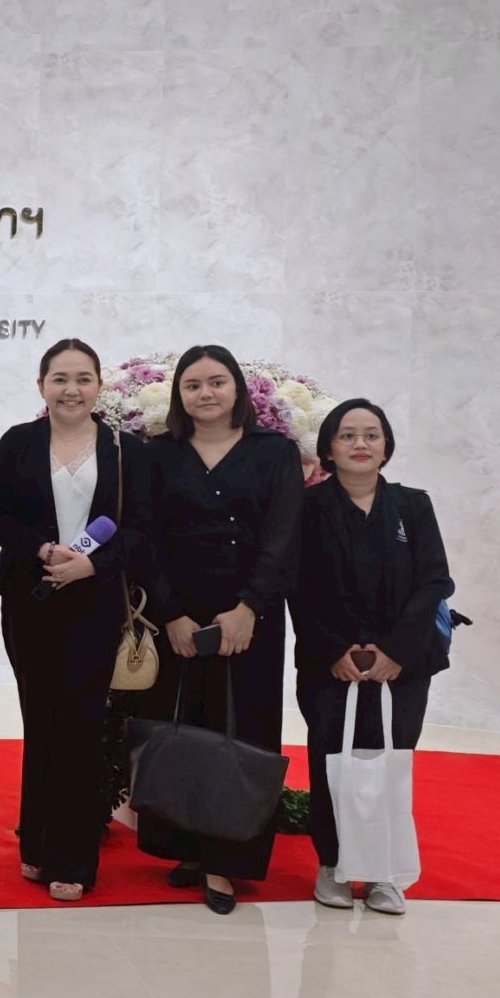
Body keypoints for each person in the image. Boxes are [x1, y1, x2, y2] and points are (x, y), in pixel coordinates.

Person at [139, 343, 304, 914]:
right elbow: (146, 539)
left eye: (216, 382)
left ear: (238, 388)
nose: (205, 393)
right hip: (180, 611)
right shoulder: (157, 454)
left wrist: (250, 607)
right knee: (184, 724)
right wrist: (171, 614)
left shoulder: (274, 453)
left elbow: (284, 535)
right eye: (192, 385)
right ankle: (186, 842)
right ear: (177, 395)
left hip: (248, 613)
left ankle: (227, 863)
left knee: (243, 729)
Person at [0, 339, 152, 900]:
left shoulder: (127, 450)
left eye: (83, 378)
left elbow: (140, 528)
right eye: (59, 378)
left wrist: (92, 565)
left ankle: (73, 859)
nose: (71, 389)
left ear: (100, 387)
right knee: (41, 719)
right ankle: (34, 844)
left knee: (82, 725)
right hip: (30, 598)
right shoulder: (18, 442)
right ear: (41, 386)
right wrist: (40, 551)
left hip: (94, 601)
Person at [291, 399, 452, 916]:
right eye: (347, 435)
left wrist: (396, 652)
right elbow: (298, 586)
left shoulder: (413, 505)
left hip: (404, 666)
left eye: (371, 435)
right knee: (329, 762)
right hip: (329, 662)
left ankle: (383, 872)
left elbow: (434, 582)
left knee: (389, 763)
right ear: (329, 448)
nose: (360, 444)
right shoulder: (309, 507)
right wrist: (335, 649)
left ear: (386, 447)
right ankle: (332, 866)